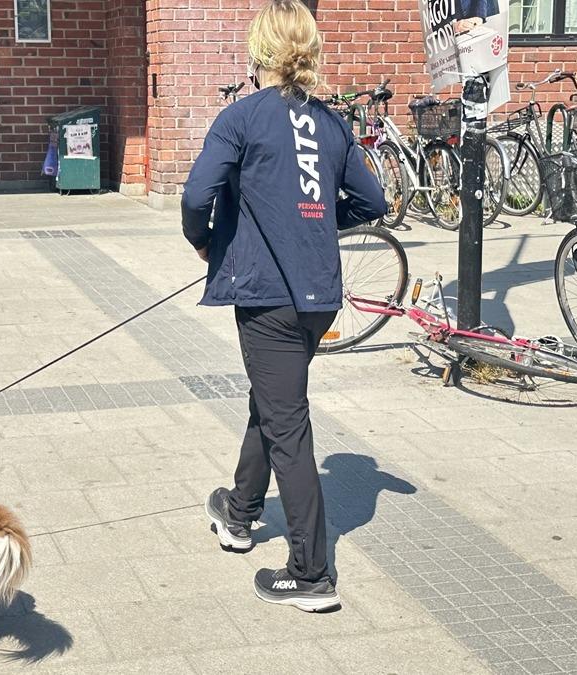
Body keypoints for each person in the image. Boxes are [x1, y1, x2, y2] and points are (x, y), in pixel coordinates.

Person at [181, 0, 387, 612]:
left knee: (286, 422)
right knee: (273, 400)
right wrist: (323, 221)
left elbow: (197, 194)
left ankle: (311, 573)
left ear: (259, 52)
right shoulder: (329, 121)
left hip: (268, 295)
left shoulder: (242, 117)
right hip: (318, 295)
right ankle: (240, 512)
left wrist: (204, 239)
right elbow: (372, 200)